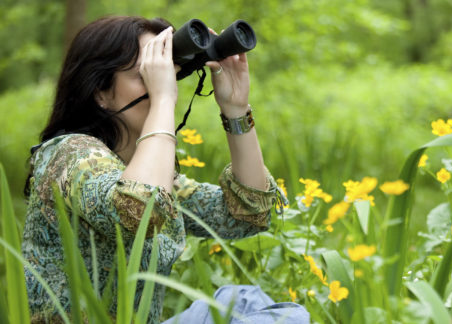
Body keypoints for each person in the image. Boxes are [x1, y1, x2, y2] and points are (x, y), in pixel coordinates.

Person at [22, 16, 308, 323]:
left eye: (165, 73)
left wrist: (236, 109)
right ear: (101, 93)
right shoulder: (68, 155)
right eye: (144, 74)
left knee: (247, 302)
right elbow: (138, 207)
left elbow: (248, 215)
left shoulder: (142, 171)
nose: (164, 83)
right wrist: (163, 99)